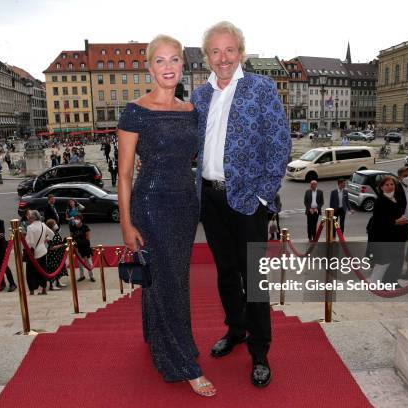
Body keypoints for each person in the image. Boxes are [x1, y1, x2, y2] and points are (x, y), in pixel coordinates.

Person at [191, 22, 290, 388]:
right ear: (207, 57)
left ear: (241, 52)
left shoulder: (261, 89)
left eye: (229, 50)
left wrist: (263, 197)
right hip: (211, 199)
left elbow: (280, 146)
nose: (223, 58)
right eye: (215, 52)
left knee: (255, 278)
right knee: (226, 272)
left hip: (248, 200)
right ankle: (236, 330)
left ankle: (260, 351)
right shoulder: (200, 96)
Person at [118, 34, 217, 396]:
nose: (168, 67)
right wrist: (126, 223)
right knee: (173, 283)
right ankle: (184, 362)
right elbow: (125, 174)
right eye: (160, 61)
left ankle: (154, 333)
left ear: (182, 65)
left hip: (185, 206)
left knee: (164, 278)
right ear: (149, 67)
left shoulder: (191, 111)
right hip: (151, 204)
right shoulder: (135, 111)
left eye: (174, 59)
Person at [367, 176, 408, 282]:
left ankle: (390, 281)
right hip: (385, 238)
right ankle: (375, 283)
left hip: (397, 237)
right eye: (387, 185)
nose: (390, 187)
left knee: (395, 261)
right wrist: (395, 222)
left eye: (392, 184)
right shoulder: (380, 201)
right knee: (383, 262)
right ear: (381, 187)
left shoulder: (396, 198)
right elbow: (377, 221)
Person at [25, 210, 54, 295]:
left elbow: (30, 243)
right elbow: (52, 234)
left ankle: (32, 291)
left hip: (32, 254)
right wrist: (45, 240)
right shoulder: (43, 225)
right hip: (42, 251)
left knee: (30, 273)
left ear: (33, 217)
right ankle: (44, 289)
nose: (29, 217)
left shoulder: (30, 227)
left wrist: (30, 250)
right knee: (42, 271)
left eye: (30, 216)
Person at [69, 214, 95, 282]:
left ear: (81, 219)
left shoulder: (85, 227)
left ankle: (91, 276)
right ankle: (82, 276)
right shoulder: (73, 227)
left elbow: (87, 238)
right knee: (80, 262)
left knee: (89, 262)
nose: (76, 220)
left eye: (77, 218)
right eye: (75, 218)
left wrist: (78, 242)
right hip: (77, 248)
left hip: (85, 247)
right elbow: (71, 236)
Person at [45, 219, 67, 290]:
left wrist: (63, 241)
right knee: (53, 269)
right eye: (54, 224)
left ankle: (58, 281)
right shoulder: (49, 235)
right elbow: (51, 247)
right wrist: (62, 245)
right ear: (51, 226)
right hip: (52, 255)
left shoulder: (56, 232)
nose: (56, 225)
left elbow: (59, 241)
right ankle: (52, 285)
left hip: (59, 253)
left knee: (59, 267)